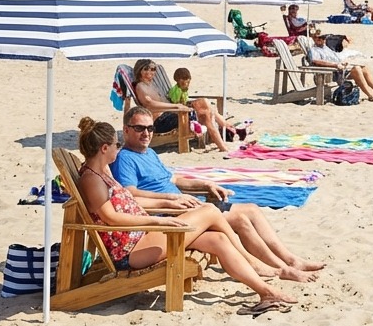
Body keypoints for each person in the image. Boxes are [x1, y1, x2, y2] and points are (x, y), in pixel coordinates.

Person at [76, 117, 298, 315]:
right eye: (116, 144)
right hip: (132, 250)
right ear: (104, 148)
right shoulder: (92, 180)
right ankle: (252, 262)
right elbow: (112, 218)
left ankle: (265, 292)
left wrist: (166, 203)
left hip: (141, 238)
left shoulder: (100, 172)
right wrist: (158, 220)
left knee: (217, 240)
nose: (119, 148)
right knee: (210, 211)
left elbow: (127, 202)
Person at [111, 107, 323, 286]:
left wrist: (206, 183)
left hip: (187, 205)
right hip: (171, 213)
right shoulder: (126, 158)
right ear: (126, 130)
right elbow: (130, 193)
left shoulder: (149, 153)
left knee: (251, 209)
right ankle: (276, 267)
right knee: (241, 219)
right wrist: (171, 198)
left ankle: (289, 260)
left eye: (149, 128)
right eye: (139, 128)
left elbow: (174, 179)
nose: (146, 133)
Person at [131, 59, 232, 152]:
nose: (150, 72)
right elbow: (149, 104)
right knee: (204, 113)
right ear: (140, 70)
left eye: (153, 69)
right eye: (146, 69)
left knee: (203, 103)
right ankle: (224, 138)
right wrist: (176, 107)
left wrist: (177, 106)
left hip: (170, 114)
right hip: (161, 121)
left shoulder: (151, 85)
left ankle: (224, 130)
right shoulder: (140, 86)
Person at [169, 67, 249, 143]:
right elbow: (176, 104)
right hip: (181, 113)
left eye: (188, 81)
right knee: (209, 110)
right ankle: (233, 130)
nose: (187, 83)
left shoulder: (182, 89)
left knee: (211, 110)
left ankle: (232, 129)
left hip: (186, 109)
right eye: (186, 81)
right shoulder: (176, 91)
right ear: (179, 80)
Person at [306, 32, 373, 101]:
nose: (322, 40)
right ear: (314, 38)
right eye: (319, 38)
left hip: (339, 69)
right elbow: (316, 61)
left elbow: (337, 57)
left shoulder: (326, 48)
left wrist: (342, 63)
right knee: (357, 69)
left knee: (364, 68)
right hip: (330, 73)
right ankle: (370, 95)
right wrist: (335, 65)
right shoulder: (314, 50)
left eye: (323, 38)